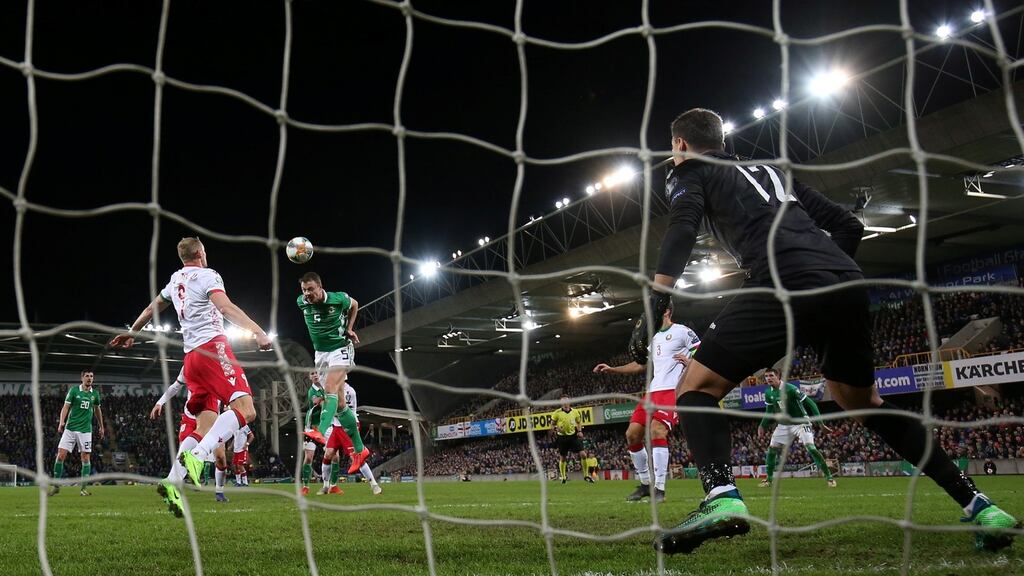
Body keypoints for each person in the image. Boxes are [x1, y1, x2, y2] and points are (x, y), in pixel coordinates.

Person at [649, 108, 1018, 554]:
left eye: (674, 147)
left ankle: (720, 496)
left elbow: (683, 226)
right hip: (844, 280)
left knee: (697, 388)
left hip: (781, 278)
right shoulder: (773, 170)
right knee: (862, 401)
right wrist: (822, 277)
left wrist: (659, 294)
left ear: (680, 144)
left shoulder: (689, 170)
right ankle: (982, 506)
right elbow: (849, 225)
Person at [112, 236, 271, 516]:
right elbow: (225, 308)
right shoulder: (208, 275)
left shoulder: (175, 280)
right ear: (200, 253)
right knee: (247, 410)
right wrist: (257, 330)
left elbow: (151, 309)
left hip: (191, 360)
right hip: (213, 350)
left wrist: (131, 333)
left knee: (204, 428)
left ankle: (173, 480)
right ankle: (197, 458)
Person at [594, 301, 699, 503]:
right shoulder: (654, 338)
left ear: (666, 311)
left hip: (672, 391)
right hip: (652, 392)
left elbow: (702, 354)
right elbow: (640, 365)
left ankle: (659, 489)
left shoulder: (683, 332)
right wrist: (613, 369)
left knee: (657, 431)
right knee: (632, 435)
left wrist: (690, 363)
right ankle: (645, 484)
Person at [295, 272, 370, 474]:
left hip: (340, 349)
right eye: (304, 290)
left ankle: (320, 430)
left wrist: (350, 328)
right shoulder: (301, 302)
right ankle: (360, 450)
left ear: (320, 287)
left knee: (329, 389)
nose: (307, 294)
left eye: (311, 289)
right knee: (340, 405)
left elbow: (355, 304)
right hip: (321, 354)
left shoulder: (337, 299)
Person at [150, 369, 229, 503]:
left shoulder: (220, 366)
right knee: (184, 452)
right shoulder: (189, 365)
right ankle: (173, 482)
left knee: (220, 457)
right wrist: (159, 402)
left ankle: (219, 492)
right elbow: (176, 386)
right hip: (190, 417)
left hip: (212, 416)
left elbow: (228, 391)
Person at [757, 368, 835, 488]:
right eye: (766, 376)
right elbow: (769, 412)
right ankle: (769, 479)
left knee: (811, 448)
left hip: (801, 423)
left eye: (771, 375)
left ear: (778, 376)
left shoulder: (790, 389)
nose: (768, 378)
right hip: (783, 425)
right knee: (772, 449)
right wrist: (762, 425)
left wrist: (821, 424)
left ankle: (829, 477)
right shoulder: (768, 393)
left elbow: (811, 403)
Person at [320, 378, 383, 495]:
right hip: (336, 427)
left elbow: (344, 411)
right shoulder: (330, 389)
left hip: (347, 426)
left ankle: (374, 484)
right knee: (328, 453)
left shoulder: (350, 391)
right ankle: (326, 486)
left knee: (356, 457)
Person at [50, 370, 104, 496]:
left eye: (91, 376)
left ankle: (83, 489)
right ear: (82, 378)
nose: (89, 378)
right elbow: (66, 407)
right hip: (70, 429)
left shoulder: (95, 394)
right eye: (87, 376)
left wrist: (101, 426)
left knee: (85, 458)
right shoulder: (74, 391)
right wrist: (61, 421)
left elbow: (97, 410)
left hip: (85, 431)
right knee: (60, 455)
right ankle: (56, 486)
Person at [549, 395, 591, 484]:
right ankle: (563, 477)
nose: (565, 403)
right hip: (562, 437)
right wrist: (556, 429)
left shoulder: (575, 412)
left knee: (583, 454)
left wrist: (579, 431)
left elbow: (578, 422)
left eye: (566, 401)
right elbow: (552, 425)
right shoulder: (557, 413)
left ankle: (586, 475)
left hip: (573, 436)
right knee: (563, 458)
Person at [300, 371, 326, 496]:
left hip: (324, 427)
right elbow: (317, 402)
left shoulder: (324, 388)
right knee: (309, 457)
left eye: (317, 373)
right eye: (312, 374)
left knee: (333, 455)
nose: (315, 375)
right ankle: (305, 486)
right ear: (310, 377)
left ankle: (330, 485)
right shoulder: (312, 391)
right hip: (311, 428)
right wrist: (327, 398)